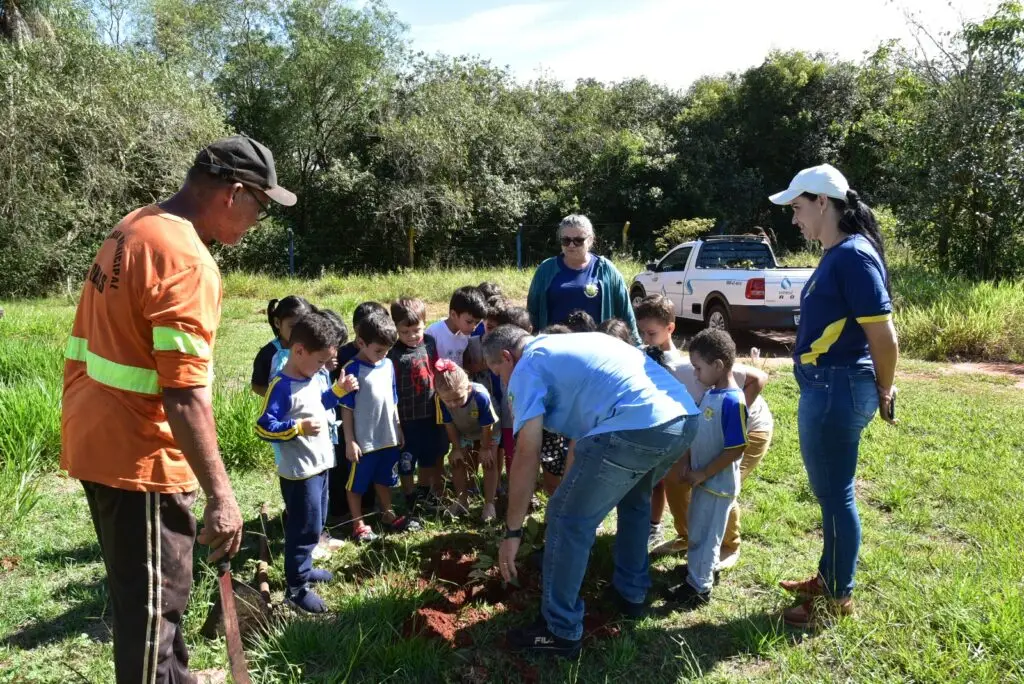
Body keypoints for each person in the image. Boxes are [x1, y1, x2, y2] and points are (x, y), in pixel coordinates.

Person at [61, 135, 294, 683]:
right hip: (139, 458)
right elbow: (185, 394)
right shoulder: (187, 261)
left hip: (97, 438)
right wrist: (223, 497)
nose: (257, 222)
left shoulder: (137, 225)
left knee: (154, 600)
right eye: (260, 208)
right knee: (152, 616)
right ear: (234, 193)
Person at [483, 325, 700, 657]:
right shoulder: (575, 345)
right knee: (634, 500)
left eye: (499, 373)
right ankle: (632, 594)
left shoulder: (528, 366)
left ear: (507, 357)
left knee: (565, 518)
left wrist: (513, 531)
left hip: (635, 426)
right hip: (681, 420)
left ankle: (560, 629)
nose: (504, 384)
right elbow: (582, 447)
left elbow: (526, 452)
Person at [769, 164, 899, 627]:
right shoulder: (840, 253)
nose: (794, 218)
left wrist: (885, 388)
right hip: (829, 386)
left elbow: (884, 338)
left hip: (837, 388)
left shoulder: (852, 256)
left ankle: (837, 598)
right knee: (830, 494)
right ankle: (829, 576)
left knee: (836, 495)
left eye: (798, 208)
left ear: (823, 202)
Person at [634, 294, 771, 564]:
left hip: (750, 431)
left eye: (651, 333)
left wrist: (733, 417)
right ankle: (688, 535)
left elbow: (759, 377)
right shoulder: (649, 364)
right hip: (702, 435)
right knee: (675, 478)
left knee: (718, 486)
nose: (646, 339)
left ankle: (729, 545)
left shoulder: (689, 368)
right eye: (643, 334)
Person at [255, 311, 358, 613]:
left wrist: (337, 392)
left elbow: (317, 403)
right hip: (300, 473)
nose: (323, 367)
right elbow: (263, 426)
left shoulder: (310, 376)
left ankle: (306, 566)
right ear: (298, 351)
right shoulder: (282, 386)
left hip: (320, 465)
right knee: (304, 528)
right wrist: (296, 429)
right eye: (320, 361)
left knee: (317, 520)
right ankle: (297, 588)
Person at [662, 330, 748, 609]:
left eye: (699, 368)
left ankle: (699, 589)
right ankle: (698, 571)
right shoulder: (711, 394)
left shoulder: (733, 401)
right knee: (698, 530)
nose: (696, 375)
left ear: (719, 366)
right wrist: (688, 461)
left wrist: (704, 472)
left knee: (708, 534)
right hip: (703, 481)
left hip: (717, 485)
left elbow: (736, 448)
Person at [340, 311, 420, 542]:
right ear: (361, 343)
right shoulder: (352, 369)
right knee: (357, 484)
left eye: (386, 350)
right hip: (364, 440)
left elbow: (392, 399)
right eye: (378, 350)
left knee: (385, 477)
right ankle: (358, 524)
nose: (383, 355)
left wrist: (397, 427)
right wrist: (350, 440)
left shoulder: (387, 365)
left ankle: (387, 513)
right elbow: (347, 408)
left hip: (387, 436)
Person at [526, 214, 639, 343]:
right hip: (555, 348)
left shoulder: (606, 270)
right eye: (566, 240)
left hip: (598, 350)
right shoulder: (545, 270)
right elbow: (532, 313)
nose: (571, 245)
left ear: (590, 240)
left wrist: (638, 347)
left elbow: (626, 314)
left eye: (578, 240)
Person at [328, 302, 387, 521]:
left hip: (374, 420)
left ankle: (368, 505)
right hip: (346, 420)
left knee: (371, 461)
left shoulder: (383, 350)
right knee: (345, 464)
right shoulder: (342, 355)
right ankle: (340, 509)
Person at [388, 298, 447, 511]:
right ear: (395, 328)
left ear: (424, 323)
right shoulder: (393, 353)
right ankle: (409, 494)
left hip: (430, 412)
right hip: (406, 417)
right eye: (405, 331)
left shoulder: (429, 342)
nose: (412, 336)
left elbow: (435, 366)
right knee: (406, 459)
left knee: (428, 455)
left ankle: (424, 490)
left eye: (417, 330)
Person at [434, 359, 501, 521]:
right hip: (464, 431)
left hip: (488, 431)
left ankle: (489, 503)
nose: (453, 404)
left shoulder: (480, 396)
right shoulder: (441, 400)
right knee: (457, 461)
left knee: (488, 461)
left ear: (468, 388)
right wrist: (456, 448)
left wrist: (485, 449)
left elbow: (488, 426)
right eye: (448, 401)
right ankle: (462, 500)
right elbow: (449, 425)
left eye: (458, 399)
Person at [251, 295, 312, 396]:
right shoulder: (268, 354)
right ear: (277, 323)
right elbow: (257, 386)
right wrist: (278, 398)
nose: (299, 332)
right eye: (293, 326)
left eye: (304, 326)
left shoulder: (312, 349)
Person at [425, 286, 487, 368]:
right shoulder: (433, 333)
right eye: (469, 322)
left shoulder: (466, 334)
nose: (474, 327)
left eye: (477, 322)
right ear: (453, 315)